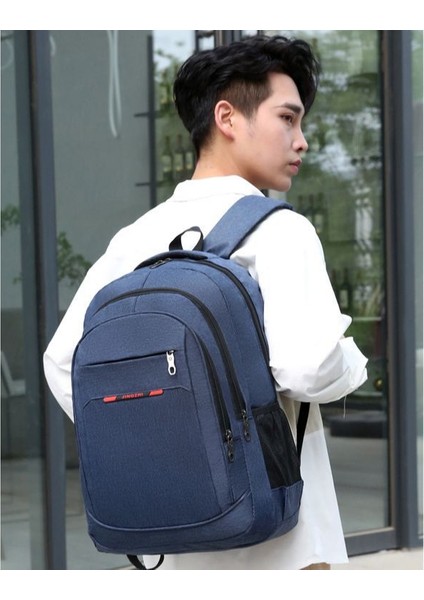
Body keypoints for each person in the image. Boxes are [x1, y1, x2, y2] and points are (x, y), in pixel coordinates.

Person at [44, 34, 368, 570]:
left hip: (172, 543)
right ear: (227, 117)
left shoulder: (135, 238)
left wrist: (157, 435)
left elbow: (62, 363)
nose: (302, 141)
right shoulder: (280, 230)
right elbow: (309, 367)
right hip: (280, 542)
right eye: (288, 118)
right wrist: (353, 362)